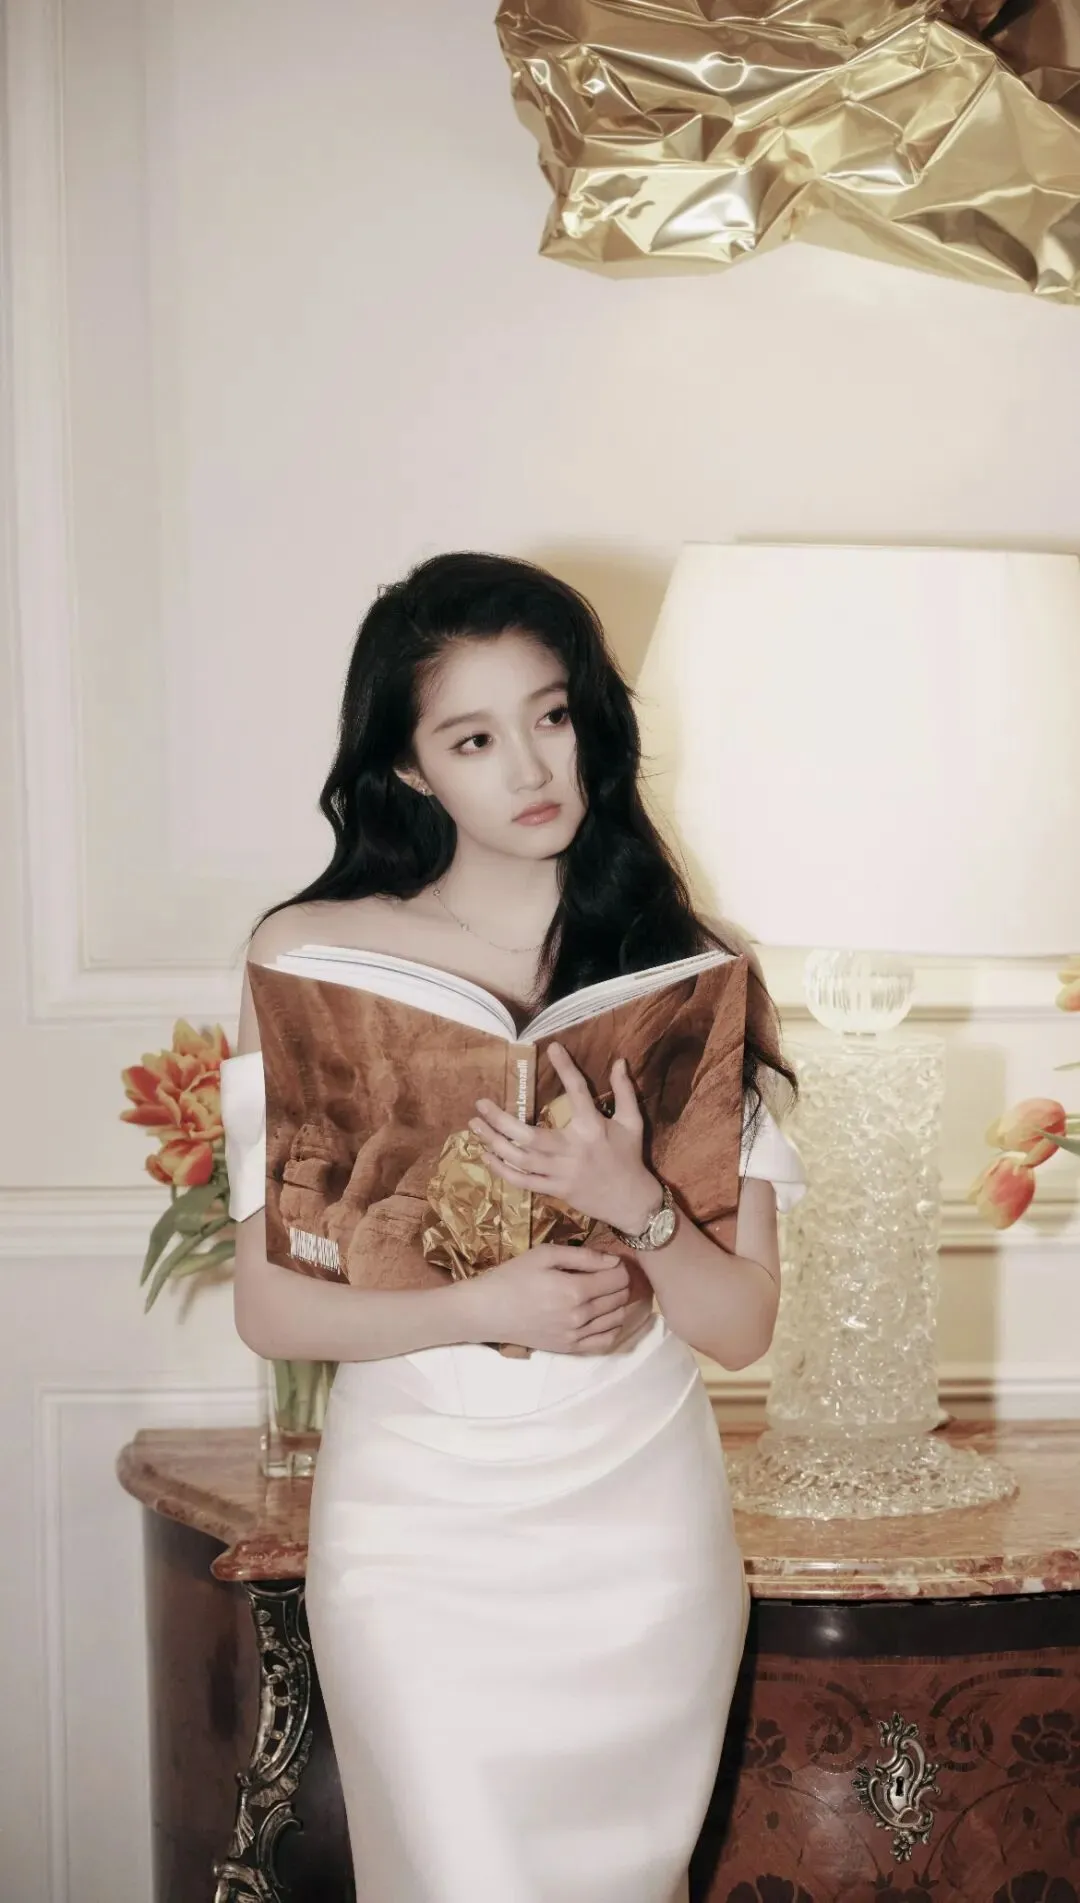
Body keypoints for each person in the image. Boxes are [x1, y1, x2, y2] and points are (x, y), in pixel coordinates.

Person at [219, 551, 807, 1903]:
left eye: (552, 715)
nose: (532, 767)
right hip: (419, 1535)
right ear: (410, 765)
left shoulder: (693, 967)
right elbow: (270, 1306)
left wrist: (638, 1206)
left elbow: (741, 1328)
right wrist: (485, 1306)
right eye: (473, 738)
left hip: (643, 1536)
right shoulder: (310, 959)